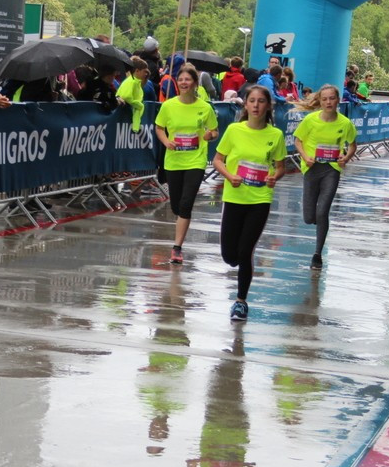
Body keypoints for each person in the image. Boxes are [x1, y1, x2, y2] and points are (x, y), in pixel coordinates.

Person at [211, 85, 286, 321]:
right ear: (245, 104)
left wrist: (275, 176)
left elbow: (280, 166)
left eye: (261, 101)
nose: (255, 105)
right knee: (229, 256)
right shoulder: (234, 130)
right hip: (234, 197)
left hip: (260, 199)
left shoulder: (275, 135)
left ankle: (241, 302)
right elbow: (217, 160)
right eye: (251, 100)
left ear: (268, 106)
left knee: (245, 251)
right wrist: (230, 176)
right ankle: (238, 265)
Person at [154, 62, 219, 265]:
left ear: (194, 83)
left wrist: (209, 135)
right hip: (174, 161)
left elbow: (214, 131)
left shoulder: (205, 108)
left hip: (196, 161)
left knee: (186, 203)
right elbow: (159, 128)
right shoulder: (169, 106)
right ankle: (180, 226)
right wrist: (166, 142)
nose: (184, 82)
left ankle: (177, 248)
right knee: (176, 206)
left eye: (187, 79)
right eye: (181, 79)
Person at [292, 84, 357, 270]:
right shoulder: (311, 120)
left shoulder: (345, 123)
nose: (328, 102)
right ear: (320, 101)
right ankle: (318, 221)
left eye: (332, 98)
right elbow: (298, 141)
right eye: (325, 99)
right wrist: (305, 157)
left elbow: (352, 145)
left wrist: (345, 158)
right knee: (309, 217)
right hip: (312, 169)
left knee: (323, 212)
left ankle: (317, 254)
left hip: (331, 170)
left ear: (338, 100)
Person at [116, 56, 149, 132]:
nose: (146, 74)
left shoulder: (136, 82)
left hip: (128, 118)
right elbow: (126, 96)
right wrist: (138, 104)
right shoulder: (131, 81)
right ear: (137, 71)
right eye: (144, 71)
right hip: (122, 116)